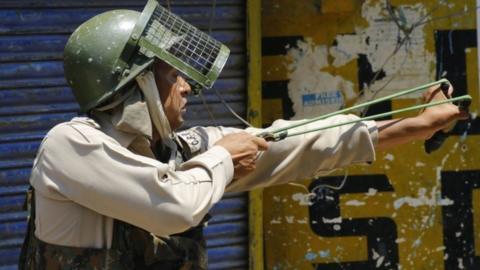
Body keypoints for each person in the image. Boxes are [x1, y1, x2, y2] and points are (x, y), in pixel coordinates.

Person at [18, 1, 468, 269]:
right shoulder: (69, 147)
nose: (187, 86)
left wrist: (410, 126)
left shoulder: (173, 151)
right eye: (172, 74)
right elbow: (174, 205)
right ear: (137, 83)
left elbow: (290, 144)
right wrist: (224, 158)